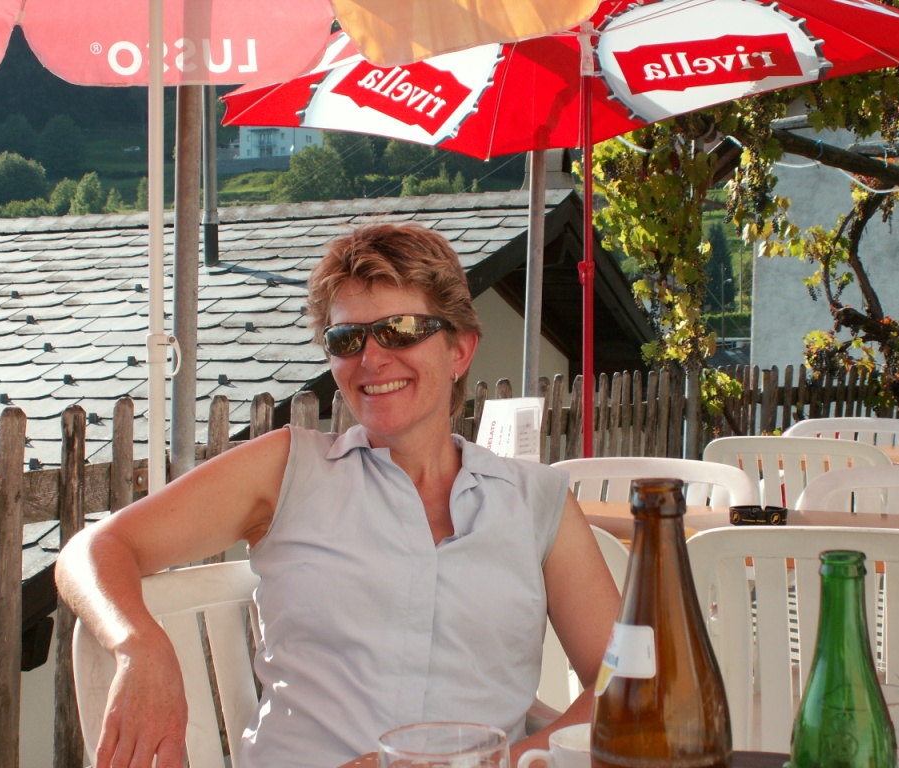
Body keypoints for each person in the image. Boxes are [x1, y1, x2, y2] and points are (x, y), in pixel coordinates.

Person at [56, 223, 620, 768]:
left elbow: (626, 684)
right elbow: (91, 551)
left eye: (400, 329)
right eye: (346, 339)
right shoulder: (287, 470)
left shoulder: (536, 502)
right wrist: (139, 645)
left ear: (460, 350)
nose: (371, 358)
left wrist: (480, 766)